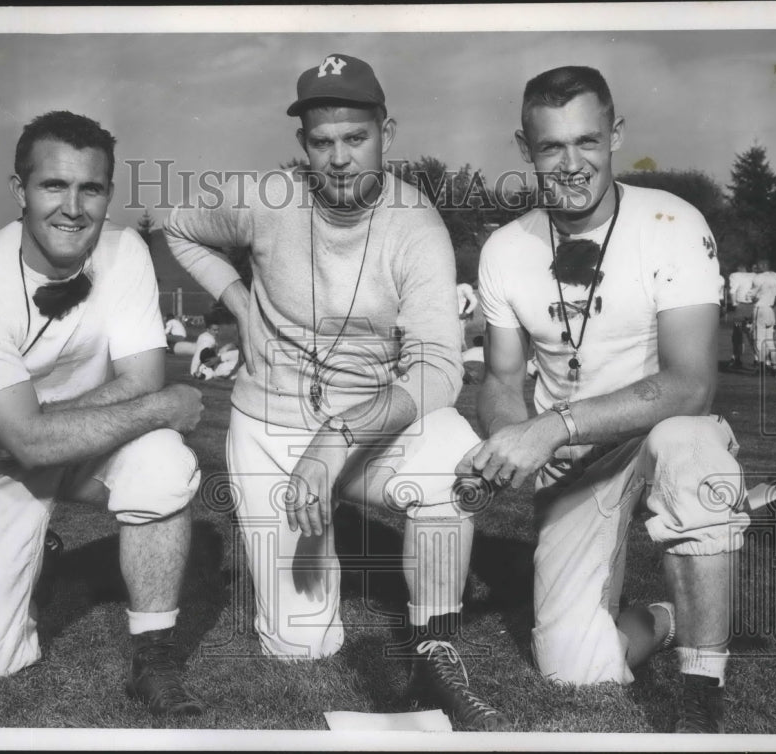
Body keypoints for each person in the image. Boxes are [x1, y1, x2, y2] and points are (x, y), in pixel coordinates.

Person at [164, 54, 511, 731]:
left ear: (388, 133)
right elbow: (178, 225)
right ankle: (313, 580)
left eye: (356, 138)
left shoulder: (416, 225)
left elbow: (439, 367)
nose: (341, 158)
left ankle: (432, 646)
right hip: (269, 422)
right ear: (303, 146)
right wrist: (237, 298)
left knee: (454, 458)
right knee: (300, 647)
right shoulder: (264, 200)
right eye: (323, 142)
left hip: (364, 427)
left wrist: (340, 437)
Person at [462, 66, 750, 733]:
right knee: (573, 667)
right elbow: (503, 381)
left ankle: (701, 690)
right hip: (576, 462)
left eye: (588, 141)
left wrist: (555, 426)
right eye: (551, 147)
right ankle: (675, 614)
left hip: (658, 434)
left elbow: (690, 382)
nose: (571, 164)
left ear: (616, 133)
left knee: (691, 443)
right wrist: (518, 441)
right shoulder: (506, 249)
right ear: (524, 148)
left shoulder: (670, 220)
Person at [0, 111, 206, 716]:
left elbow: (141, 377)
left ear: (109, 194)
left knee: (162, 459)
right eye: (54, 185)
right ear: (19, 192)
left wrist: (42, 416)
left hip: (80, 446)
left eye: (92, 188)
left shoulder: (125, 250)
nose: (73, 207)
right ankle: (40, 553)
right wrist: (160, 406)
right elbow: (25, 443)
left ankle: (154, 656)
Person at [747, 259, 776, 376]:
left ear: (763, 266)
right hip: (770, 310)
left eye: (758, 266)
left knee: (758, 340)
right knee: (770, 341)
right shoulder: (775, 276)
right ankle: (775, 367)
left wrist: (753, 298)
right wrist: (772, 303)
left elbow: (752, 296)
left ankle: (761, 366)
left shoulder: (758, 278)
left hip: (760, 309)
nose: (756, 268)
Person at [727, 263, 756, 368]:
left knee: (738, 332)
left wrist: (734, 304)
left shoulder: (735, 275)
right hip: (753, 307)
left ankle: (736, 357)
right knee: (752, 333)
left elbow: (732, 290)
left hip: (742, 308)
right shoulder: (754, 275)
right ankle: (757, 358)